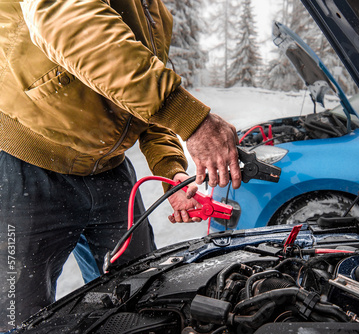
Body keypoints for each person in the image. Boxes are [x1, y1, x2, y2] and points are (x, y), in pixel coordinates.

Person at [0, 0, 242, 331]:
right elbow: (68, 22)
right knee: (17, 316)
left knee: (142, 293)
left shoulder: (157, 15)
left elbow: (148, 108)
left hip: (111, 173)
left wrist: (172, 171)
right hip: (28, 164)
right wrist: (192, 120)